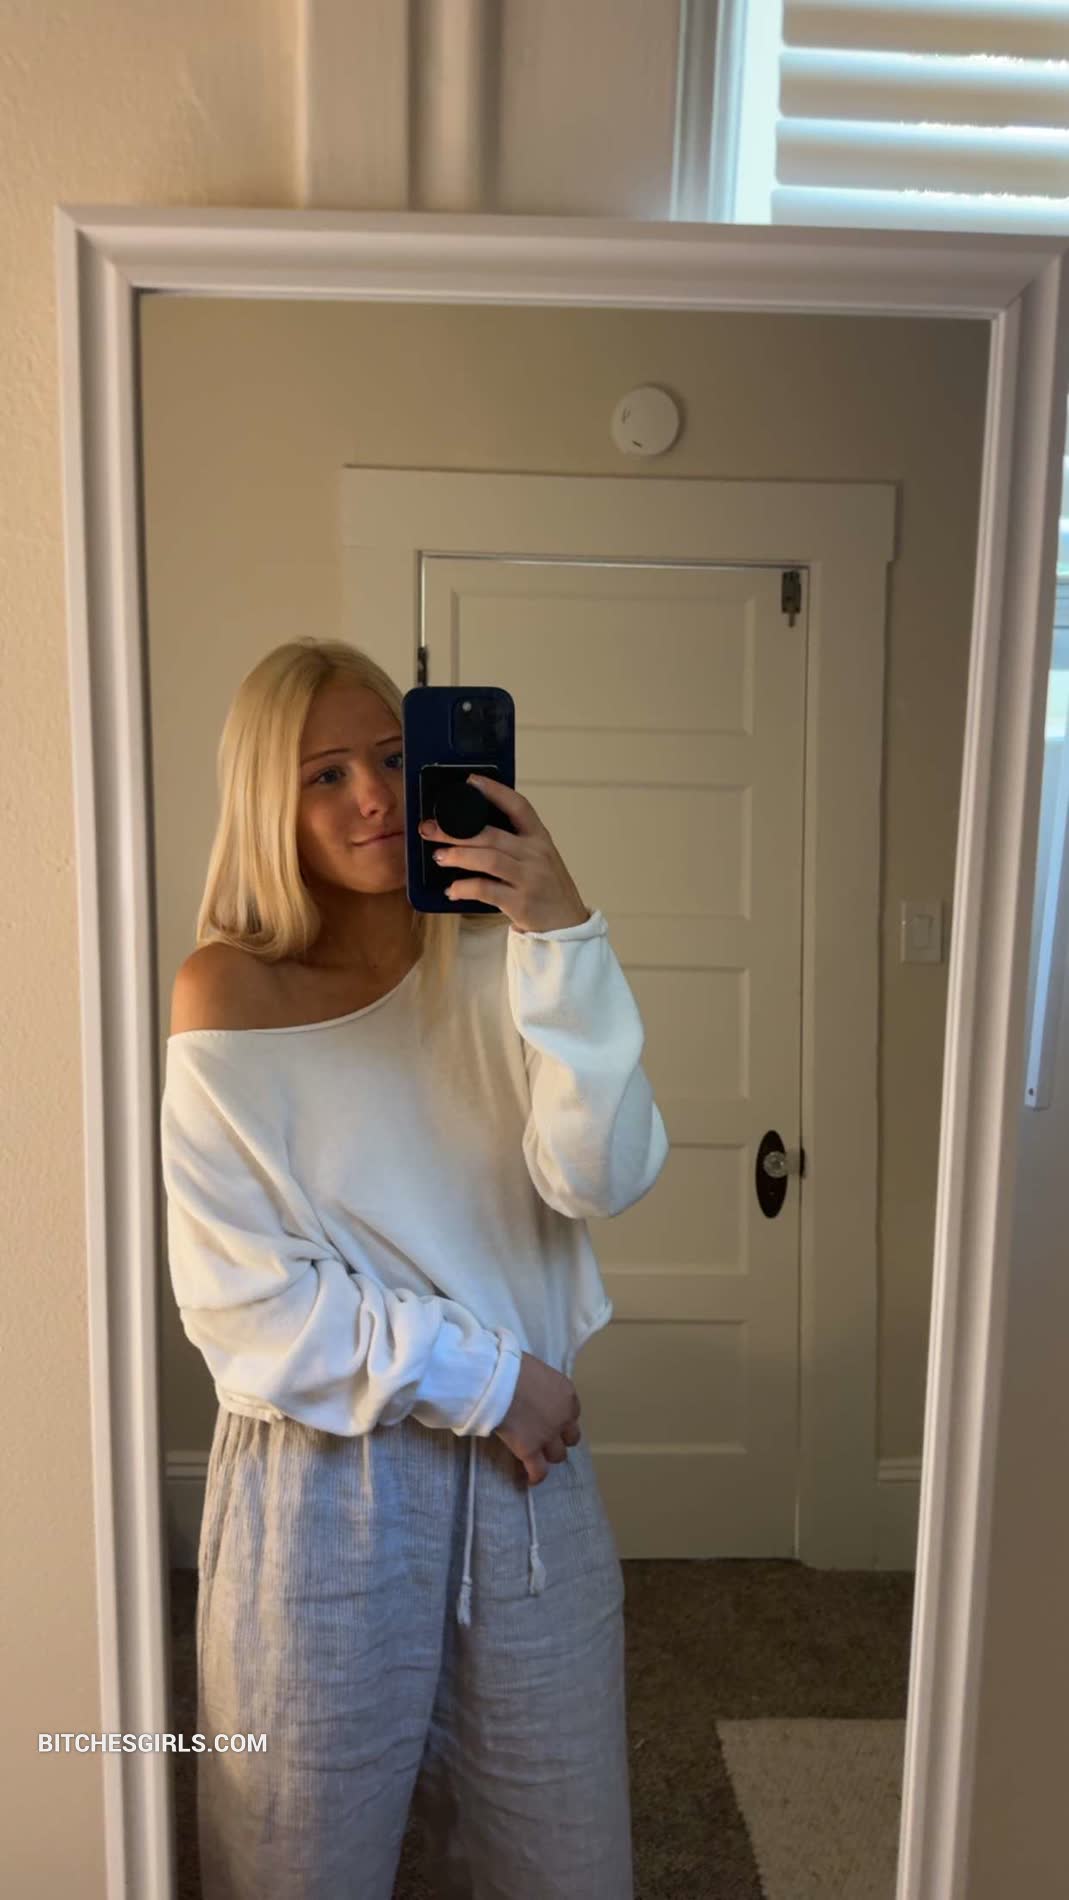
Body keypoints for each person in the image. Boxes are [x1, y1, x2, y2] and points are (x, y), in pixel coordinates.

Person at [160, 637, 670, 1899]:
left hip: (525, 1474)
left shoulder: (510, 956)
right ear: (266, 802)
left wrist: (567, 934)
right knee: (300, 1854)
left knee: (559, 1852)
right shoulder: (228, 990)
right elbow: (244, 1303)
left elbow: (599, 1176)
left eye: (393, 757)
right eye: (323, 774)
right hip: (328, 1484)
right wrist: (493, 1380)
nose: (374, 798)